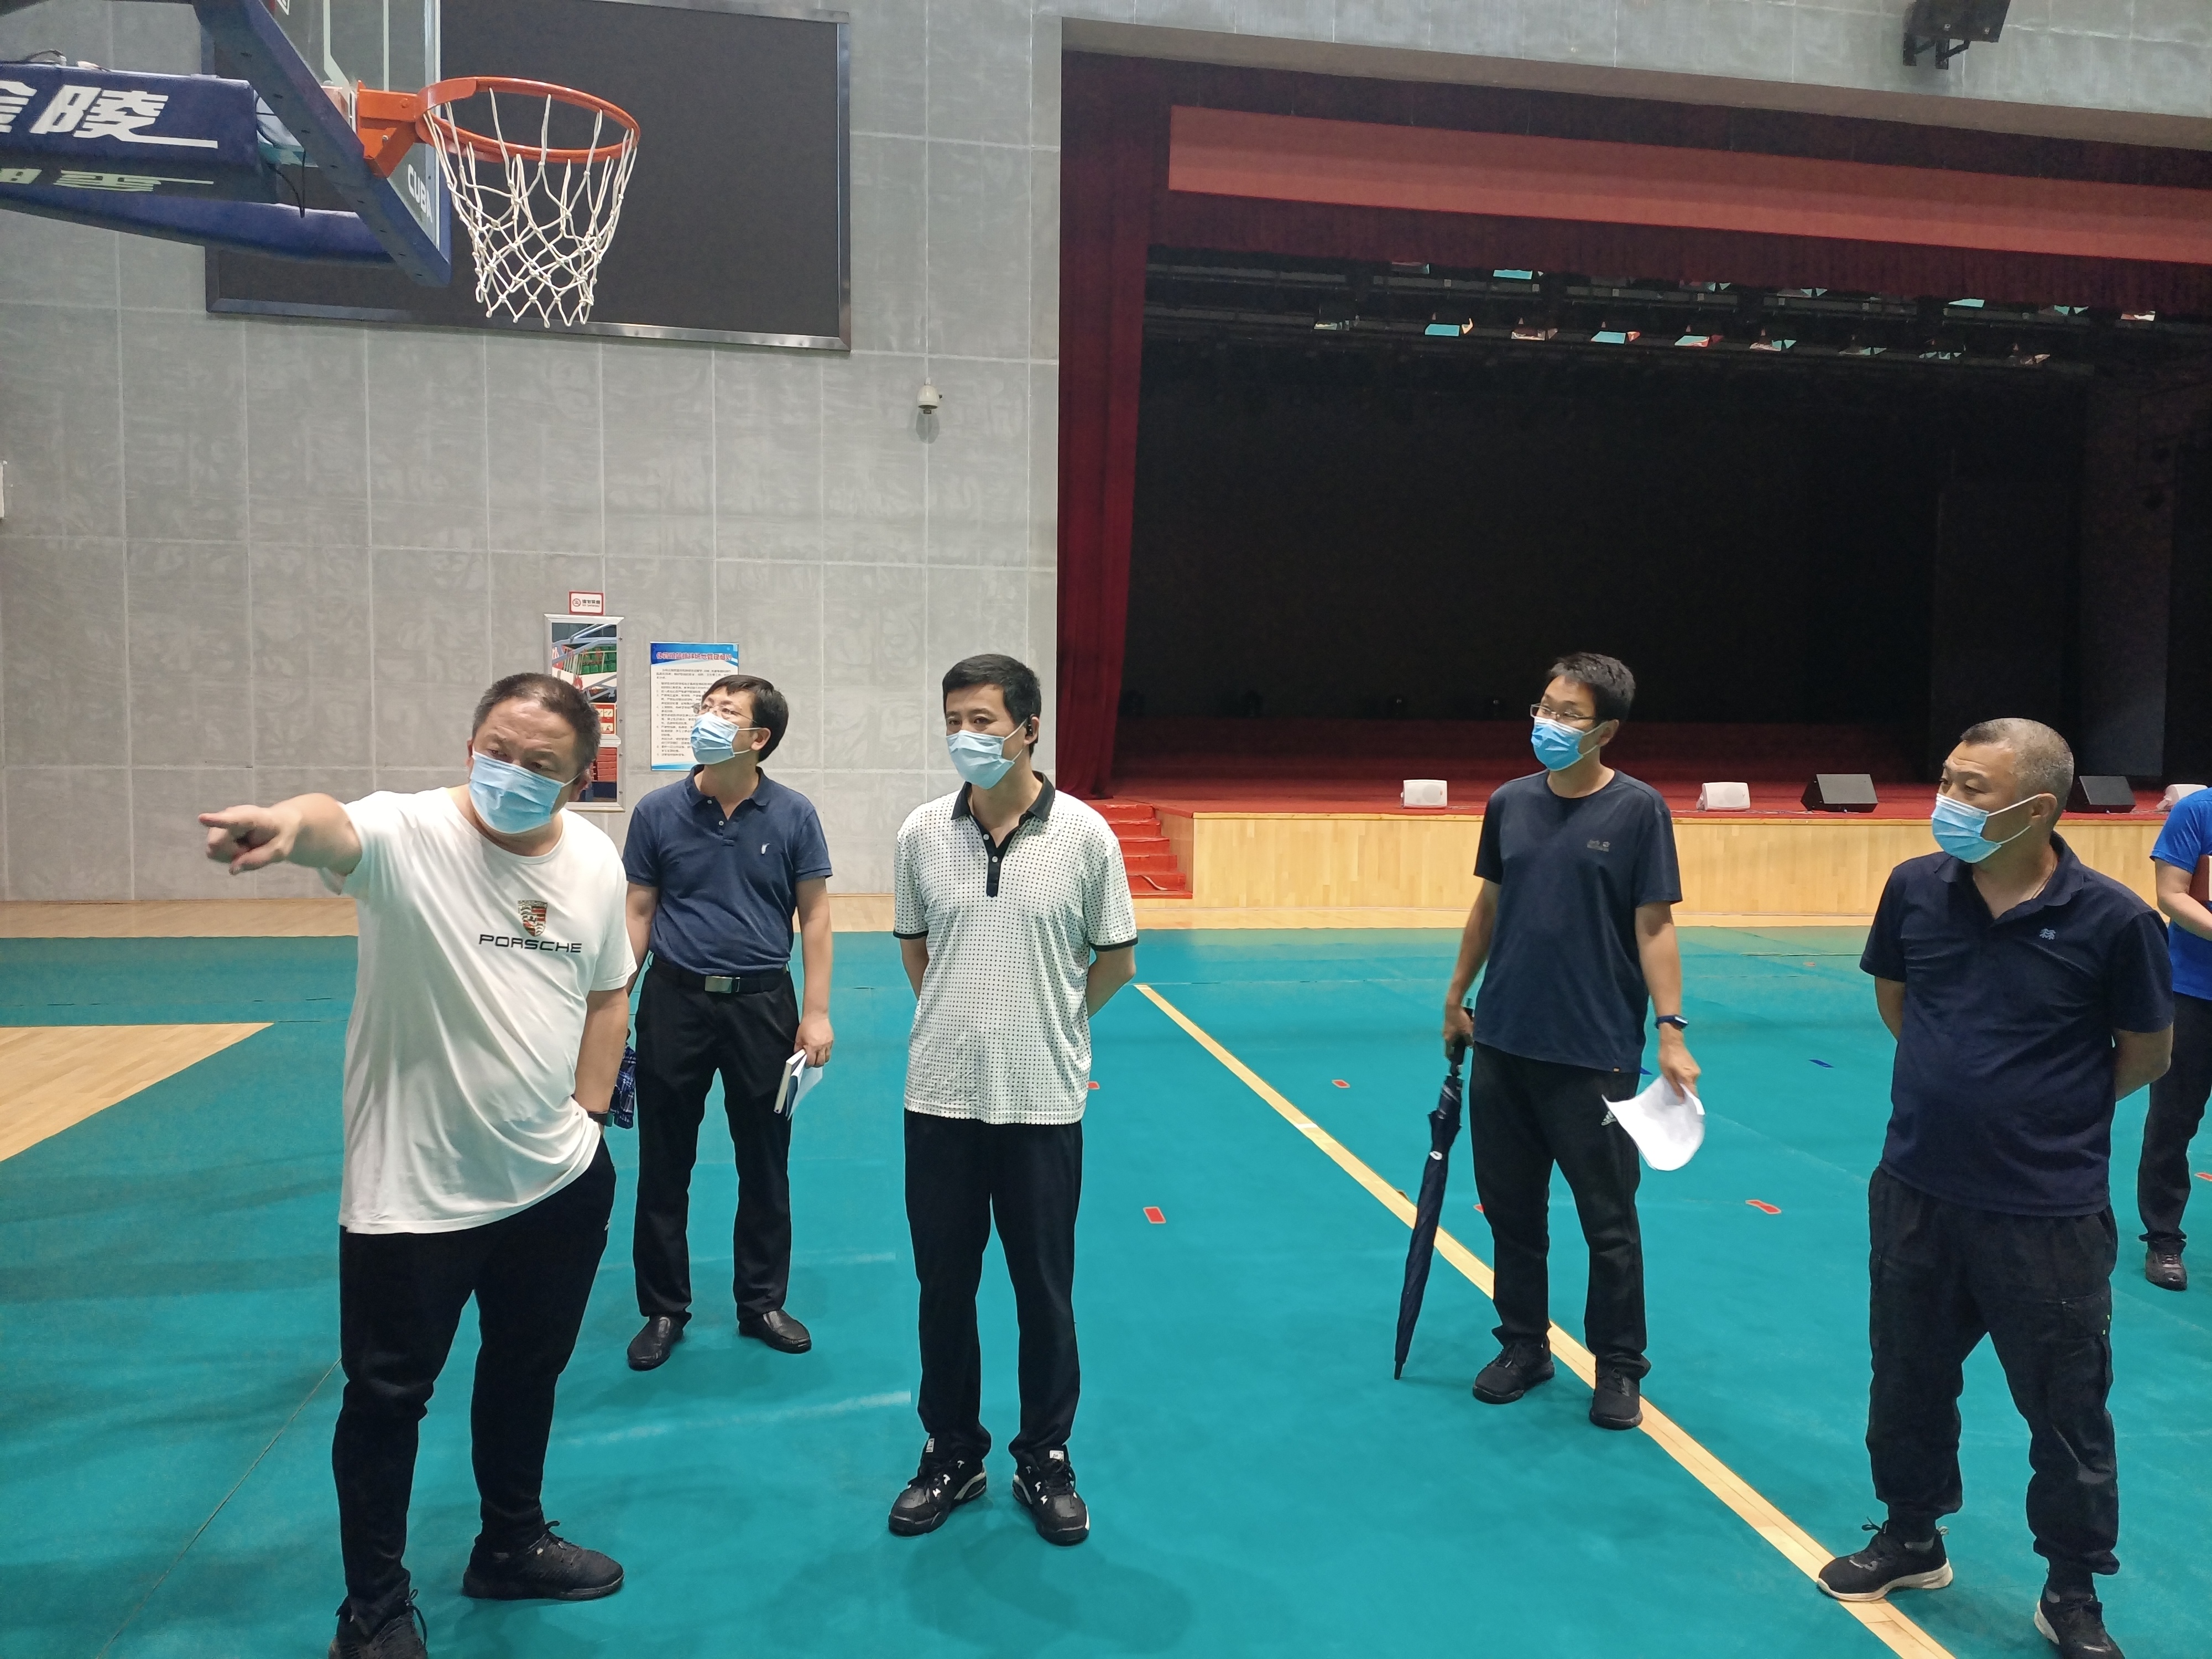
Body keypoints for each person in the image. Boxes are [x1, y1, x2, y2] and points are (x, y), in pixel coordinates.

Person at [200, 672, 634, 1659]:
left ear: (579, 782)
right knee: (388, 1401)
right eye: (496, 750)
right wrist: (286, 825)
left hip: (556, 1182)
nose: (509, 773)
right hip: (415, 1196)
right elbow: (331, 825)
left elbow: (609, 992)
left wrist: (589, 1117)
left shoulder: (594, 862)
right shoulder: (407, 832)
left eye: (539, 765)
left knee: (527, 1371)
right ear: (470, 744)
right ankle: (374, 1609)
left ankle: (511, 1543)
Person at [1817, 719, 2171, 1659]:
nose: (1949, 801)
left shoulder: (2116, 922)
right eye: (1947, 780)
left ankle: (2071, 1588)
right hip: (1917, 1190)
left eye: (1973, 789)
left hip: (2046, 1214)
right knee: (1906, 1382)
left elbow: (2147, 1052)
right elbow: (1899, 1001)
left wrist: (2040, 1112)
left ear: (2038, 809)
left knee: (2066, 1413)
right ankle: (1911, 1537)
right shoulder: (1914, 890)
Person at [885, 654, 1138, 1547]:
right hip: (941, 1099)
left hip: (1042, 1103)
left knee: (1044, 1292)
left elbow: (1116, 960)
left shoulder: (1086, 836)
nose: (967, 735)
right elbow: (915, 949)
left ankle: (1045, 1457)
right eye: (955, 719)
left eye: (984, 720)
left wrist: (1048, 1023)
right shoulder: (922, 832)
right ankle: (953, 1451)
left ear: (1030, 728)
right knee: (944, 1288)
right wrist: (962, 1022)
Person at [1441, 651, 1697, 1432]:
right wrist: (1456, 995)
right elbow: (1489, 906)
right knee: (1511, 1213)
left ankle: (1618, 1366)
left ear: (1606, 730)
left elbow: (1654, 926)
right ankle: (1524, 1346)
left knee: (1608, 1223)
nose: (1548, 724)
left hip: (1594, 1054)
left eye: (1568, 714)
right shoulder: (1509, 803)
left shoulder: (1638, 811)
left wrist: (1671, 1030)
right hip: (1504, 1044)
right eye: (1544, 708)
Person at [620, 674, 833, 1371]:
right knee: (664, 1162)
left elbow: (816, 918)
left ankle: (761, 1302)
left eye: (725, 712)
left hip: (763, 1008)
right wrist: (616, 1000)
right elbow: (640, 911)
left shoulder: (794, 814)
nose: (706, 719)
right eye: (705, 707)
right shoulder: (657, 811)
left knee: (765, 1161)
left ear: (758, 737)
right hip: (674, 1002)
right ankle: (663, 1308)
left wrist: (816, 1012)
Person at [2139, 782, 2212, 1291]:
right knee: (2173, 1120)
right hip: (2192, 994)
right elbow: (2171, 894)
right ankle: (2163, 1238)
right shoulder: (2197, 812)